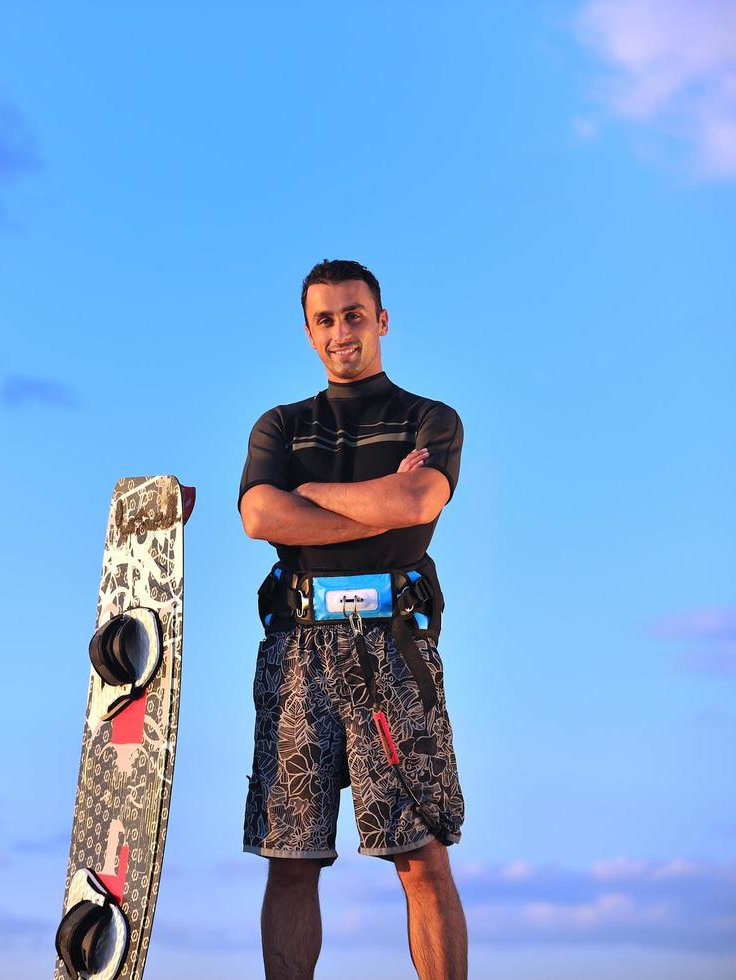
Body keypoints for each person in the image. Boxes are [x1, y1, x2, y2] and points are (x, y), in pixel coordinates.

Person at [238, 259, 468, 980]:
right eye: (327, 319)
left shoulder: (429, 418)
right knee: (290, 856)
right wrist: (373, 505)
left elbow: (418, 503)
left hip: (393, 649)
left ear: (382, 320)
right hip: (296, 650)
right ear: (309, 331)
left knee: (420, 856)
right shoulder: (282, 424)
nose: (343, 331)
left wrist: (309, 497)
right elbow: (258, 515)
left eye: (355, 314)